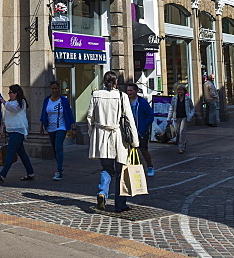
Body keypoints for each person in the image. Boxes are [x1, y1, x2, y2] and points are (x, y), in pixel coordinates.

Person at [87, 71, 139, 213]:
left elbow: (90, 117)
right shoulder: (122, 96)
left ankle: (102, 192)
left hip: (102, 137)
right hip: (118, 138)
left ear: (104, 81)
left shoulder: (96, 95)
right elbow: (129, 120)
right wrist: (135, 142)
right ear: (116, 82)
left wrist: (93, 135)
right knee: (121, 171)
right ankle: (120, 204)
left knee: (106, 168)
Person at [0, 84, 35, 182]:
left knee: (10, 151)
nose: (9, 94)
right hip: (11, 130)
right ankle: (30, 172)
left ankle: (3, 174)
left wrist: (2, 100)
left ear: (16, 93)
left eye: (10, 92)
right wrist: (3, 127)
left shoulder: (21, 102)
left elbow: (13, 109)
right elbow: (7, 116)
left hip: (18, 130)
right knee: (22, 153)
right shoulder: (9, 103)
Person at [39, 81, 75, 180]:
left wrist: (73, 127)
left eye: (56, 88)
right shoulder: (47, 100)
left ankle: (59, 170)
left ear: (59, 89)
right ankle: (59, 165)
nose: (54, 90)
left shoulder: (64, 100)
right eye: (52, 88)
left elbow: (69, 113)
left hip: (61, 127)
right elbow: (43, 114)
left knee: (58, 146)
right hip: (50, 127)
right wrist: (41, 127)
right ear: (50, 89)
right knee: (55, 148)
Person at [125, 83, 155, 176]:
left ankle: (150, 166)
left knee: (143, 150)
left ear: (136, 91)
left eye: (131, 90)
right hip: (129, 130)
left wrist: (144, 127)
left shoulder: (142, 102)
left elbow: (150, 115)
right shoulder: (125, 101)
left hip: (140, 130)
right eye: (128, 90)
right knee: (129, 150)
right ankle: (132, 168)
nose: (129, 92)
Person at [168, 84, 196, 153]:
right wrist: (169, 117)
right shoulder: (174, 98)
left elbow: (192, 108)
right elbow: (171, 108)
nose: (180, 91)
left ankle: (181, 148)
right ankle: (184, 141)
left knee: (182, 132)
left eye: (181, 90)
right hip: (176, 117)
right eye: (179, 90)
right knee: (177, 133)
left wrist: (190, 115)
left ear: (184, 91)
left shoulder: (187, 99)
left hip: (184, 117)